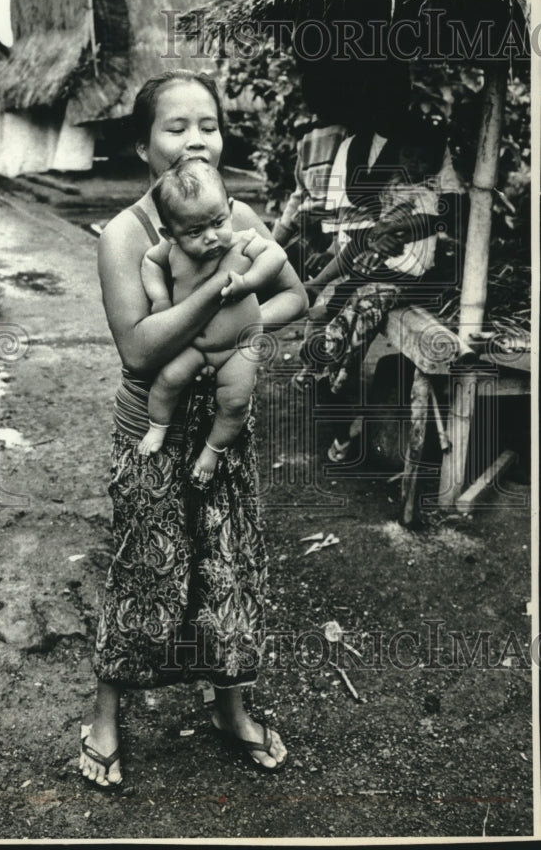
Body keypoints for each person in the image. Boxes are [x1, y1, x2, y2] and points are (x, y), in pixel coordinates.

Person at [80, 69, 308, 787]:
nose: (193, 141)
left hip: (223, 432)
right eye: (174, 128)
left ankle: (230, 709)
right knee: (142, 573)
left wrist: (234, 337)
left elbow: (294, 296)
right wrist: (218, 292)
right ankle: (105, 718)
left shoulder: (234, 214)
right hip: (150, 428)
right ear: (144, 143)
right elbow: (140, 348)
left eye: (206, 124)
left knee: (227, 571)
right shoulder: (126, 234)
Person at [297, 109, 466, 463]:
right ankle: (335, 403)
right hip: (371, 256)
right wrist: (376, 233)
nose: (414, 164)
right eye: (408, 157)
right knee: (345, 292)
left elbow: (438, 216)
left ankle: (333, 358)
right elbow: (347, 221)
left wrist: (401, 228)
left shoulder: (430, 186)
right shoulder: (353, 149)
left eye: (423, 160)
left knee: (361, 303)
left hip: (405, 271)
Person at [138, 159, 288, 486]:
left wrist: (249, 283)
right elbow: (149, 261)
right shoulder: (171, 252)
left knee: (235, 401)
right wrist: (160, 299)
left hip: (239, 345)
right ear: (170, 233)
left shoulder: (241, 240)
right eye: (194, 231)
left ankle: (213, 450)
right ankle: (158, 426)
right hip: (195, 345)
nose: (210, 237)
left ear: (230, 209)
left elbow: (276, 256)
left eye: (218, 222)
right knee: (166, 381)